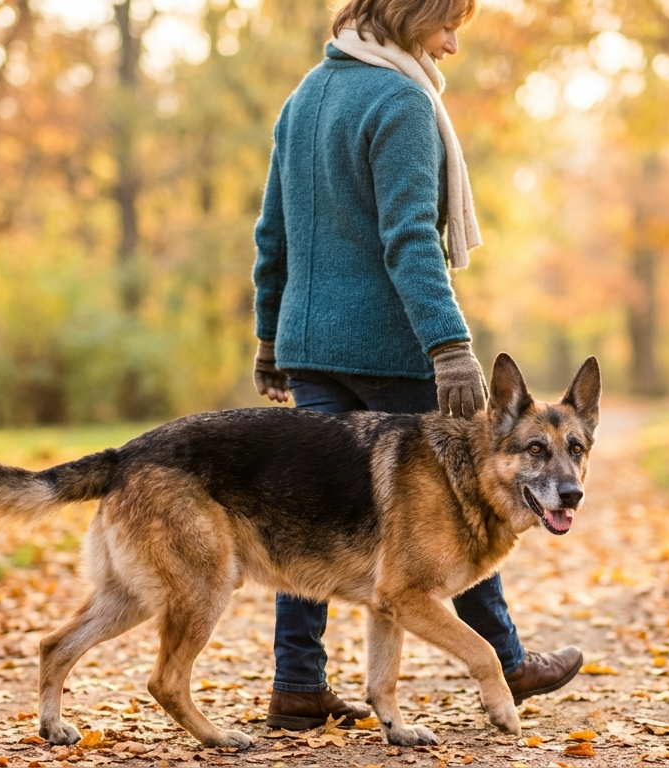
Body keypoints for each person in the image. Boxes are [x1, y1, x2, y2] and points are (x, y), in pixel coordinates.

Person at [248, 0, 584, 730]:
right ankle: (507, 660)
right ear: (409, 15)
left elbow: (271, 231)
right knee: (460, 508)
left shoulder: (305, 95)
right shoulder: (400, 98)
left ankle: (298, 685)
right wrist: (450, 345)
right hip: (385, 345)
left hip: (308, 344)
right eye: (446, 25)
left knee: (309, 517)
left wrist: (270, 338)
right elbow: (409, 239)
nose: (452, 44)